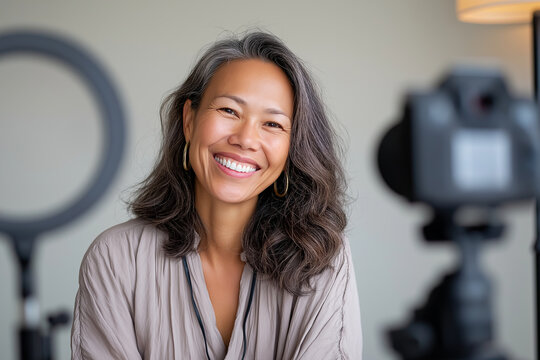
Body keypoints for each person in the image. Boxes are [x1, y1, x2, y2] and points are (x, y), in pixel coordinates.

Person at [71, 31, 362, 359]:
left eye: (273, 125)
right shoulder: (116, 259)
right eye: (229, 111)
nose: (245, 139)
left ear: (291, 150)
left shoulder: (321, 259)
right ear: (189, 120)